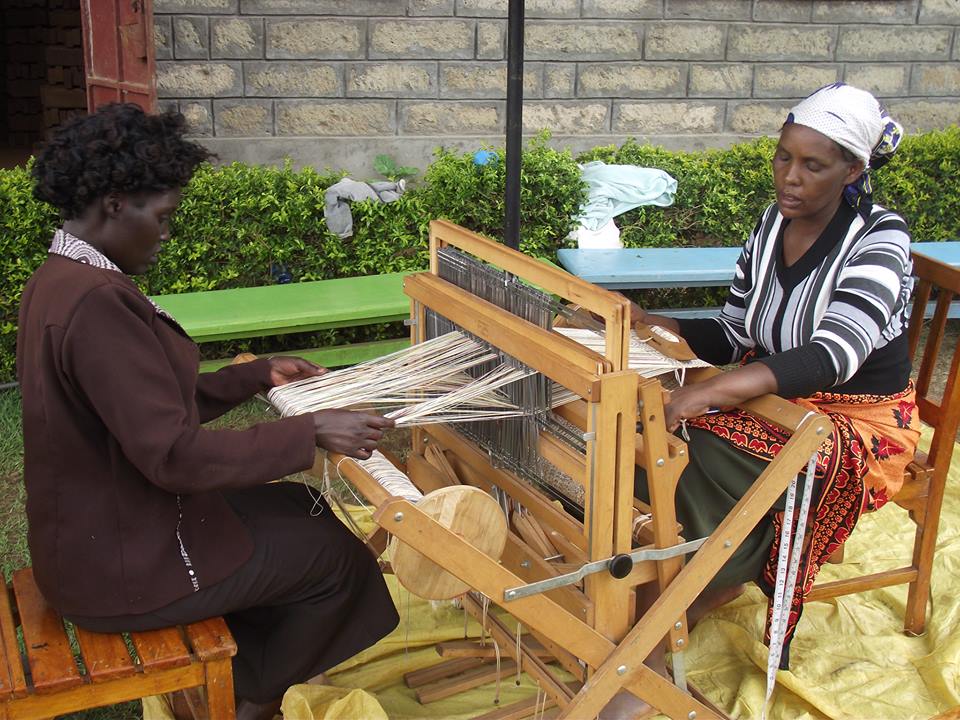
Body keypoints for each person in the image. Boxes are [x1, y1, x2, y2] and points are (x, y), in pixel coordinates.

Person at [17, 103, 399, 720]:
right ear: (115, 203)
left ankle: (246, 661)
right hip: (119, 575)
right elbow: (172, 456)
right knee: (337, 563)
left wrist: (252, 376)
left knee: (296, 507)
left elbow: (139, 408)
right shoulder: (95, 306)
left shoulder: (59, 278)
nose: (166, 232)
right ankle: (254, 703)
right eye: (161, 216)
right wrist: (311, 431)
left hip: (96, 545)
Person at [633, 83, 921, 669]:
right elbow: (737, 331)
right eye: (783, 156)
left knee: (700, 449)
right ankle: (662, 581)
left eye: (813, 165)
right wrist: (652, 320)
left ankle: (679, 614)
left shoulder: (880, 239)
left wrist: (714, 389)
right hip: (776, 396)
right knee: (649, 428)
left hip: (857, 421)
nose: (789, 176)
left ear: (852, 170)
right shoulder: (771, 226)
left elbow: (832, 355)